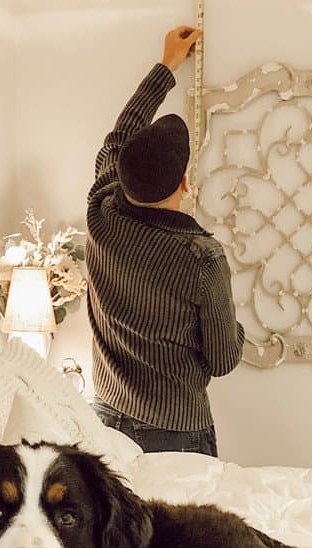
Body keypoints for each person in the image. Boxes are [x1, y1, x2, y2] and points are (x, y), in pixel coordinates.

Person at [86, 25, 244, 457]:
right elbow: (224, 360)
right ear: (186, 184)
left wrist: (167, 64)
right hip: (175, 434)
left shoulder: (101, 209)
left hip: (106, 418)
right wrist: (234, 330)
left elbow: (121, 135)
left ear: (121, 172)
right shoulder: (202, 258)